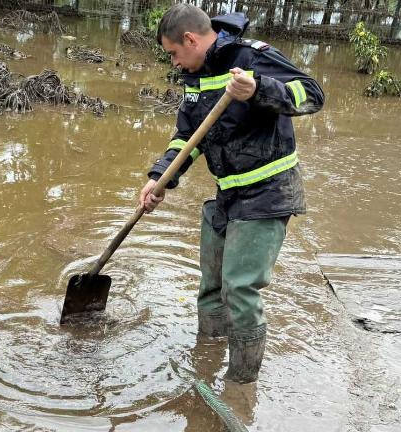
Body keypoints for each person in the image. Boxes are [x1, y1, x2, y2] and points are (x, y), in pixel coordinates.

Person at [139, 4, 325, 383]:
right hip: (227, 195)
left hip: (268, 193)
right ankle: (207, 357)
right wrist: (160, 179)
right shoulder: (195, 77)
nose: (173, 63)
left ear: (190, 39)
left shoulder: (250, 57)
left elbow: (311, 94)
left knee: (239, 290)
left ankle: (240, 386)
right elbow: (188, 137)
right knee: (211, 287)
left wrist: (259, 89)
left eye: (173, 53)